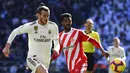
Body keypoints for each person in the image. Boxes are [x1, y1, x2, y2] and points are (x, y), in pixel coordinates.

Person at [2, 3, 60, 73]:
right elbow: (15, 31)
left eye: (48, 16)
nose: (46, 18)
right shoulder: (31, 26)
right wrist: (7, 47)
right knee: (44, 71)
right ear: (38, 15)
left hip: (46, 61)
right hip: (32, 58)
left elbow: (56, 41)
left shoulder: (53, 26)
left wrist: (56, 49)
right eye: (44, 16)